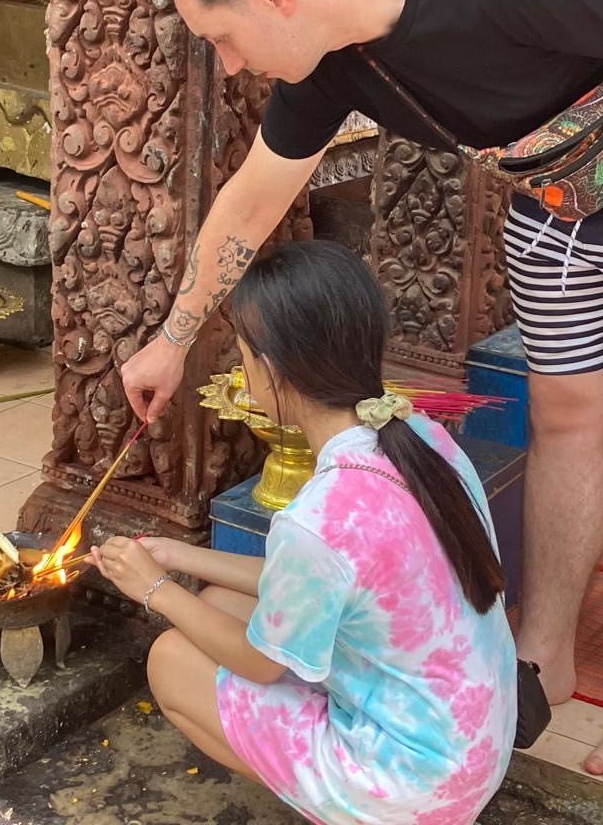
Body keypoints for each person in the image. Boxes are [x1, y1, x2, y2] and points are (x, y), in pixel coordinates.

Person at [120, 0, 603, 773]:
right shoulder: (328, 55)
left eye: (223, 38)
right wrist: (174, 340)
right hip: (555, 199)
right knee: (569, 417)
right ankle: (540, 665)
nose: (229, 64)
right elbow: (251, 202)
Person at [92, 241, 517, 825]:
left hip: (412, 790)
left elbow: (262, 661)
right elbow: (316, 580)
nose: (241, 372)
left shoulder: (323, 515)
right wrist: (175, 556)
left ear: (273, 369)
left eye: (242, 357)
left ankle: (342, 809)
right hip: (471, 745)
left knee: (170, 658)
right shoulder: (421, 436)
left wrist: (154, 591)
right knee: (220, 601)